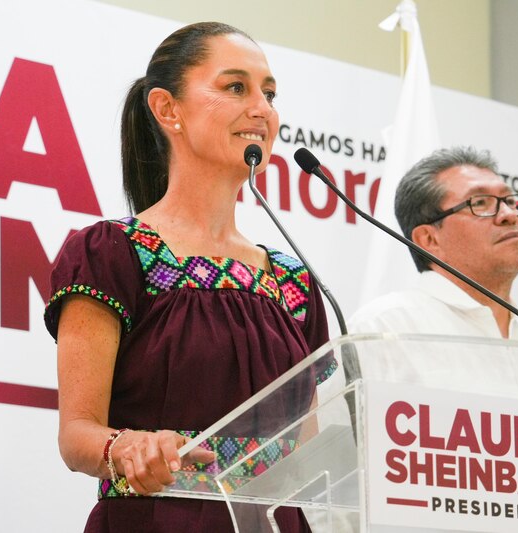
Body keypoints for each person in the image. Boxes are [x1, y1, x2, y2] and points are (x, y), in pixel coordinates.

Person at [44, 22, 331, 533]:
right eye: (235, 87)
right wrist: (126, 447)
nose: (262, 109)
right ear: (167, 109)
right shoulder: (112, 252)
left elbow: (307, 452)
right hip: (156, 520)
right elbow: (76, 435)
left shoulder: (295, 284)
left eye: (270, 93)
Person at [349, 146, 518, 403]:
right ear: (429, 239)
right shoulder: (383, 330)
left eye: (510, 201)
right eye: (480, 203)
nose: (508, 215)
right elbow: (333, 440)